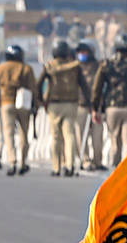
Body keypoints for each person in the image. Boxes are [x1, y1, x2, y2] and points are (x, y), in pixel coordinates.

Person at [91, 33, 127, 167]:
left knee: (115, 142)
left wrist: (95, 107)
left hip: (112, 108)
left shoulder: (107, 64)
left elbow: (97, 88)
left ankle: (114, 171)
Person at [39, 39, 91, 177]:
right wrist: (91, 104)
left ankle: (56, 167)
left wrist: (40, 101)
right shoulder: (75, 66)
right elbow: (84, 86)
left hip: (54, 105)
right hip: (71, 104)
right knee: (70, 134)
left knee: (56, 136)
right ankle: (70, 165)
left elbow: (38, 84)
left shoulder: (49, 66)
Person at [0, 44, 38, 176]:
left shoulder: (0, 68)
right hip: (23, 104)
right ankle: (23, 162)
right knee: (24, 133)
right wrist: (35, 104)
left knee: (9, 133)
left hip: (6, 103)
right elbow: (33, 89)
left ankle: (12, 161)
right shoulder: (26, 68)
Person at [75, 40, 104, 170]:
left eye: (85, 52)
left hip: (96, 106)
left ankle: (97, 161)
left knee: (97, 136)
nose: (82, 54)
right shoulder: (75, 67)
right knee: (81, 135)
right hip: (81, 105)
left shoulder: (98, 67)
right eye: (81, 52)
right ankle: (85, 160)